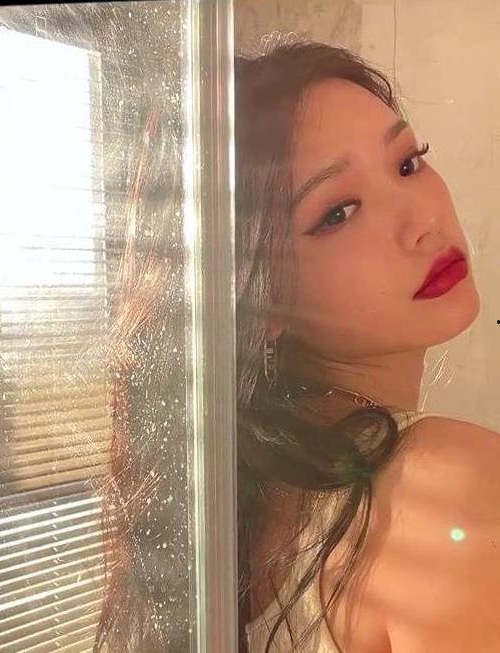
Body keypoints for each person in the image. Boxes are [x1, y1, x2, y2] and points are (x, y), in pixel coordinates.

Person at [235, 40, 500, 652]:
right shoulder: (439, 488)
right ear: (259, 299)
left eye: (408, 164)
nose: (422, 223)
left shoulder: (254, 499)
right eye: (339, 212)